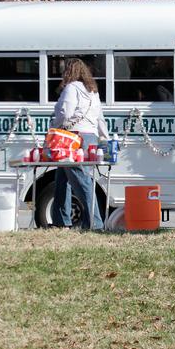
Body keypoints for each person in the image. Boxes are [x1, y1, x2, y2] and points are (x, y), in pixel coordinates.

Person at [51, 58, 109, 230]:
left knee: (81, 180)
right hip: (90, 137)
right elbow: (100, 118)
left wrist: (54, 127)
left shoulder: (71, 88)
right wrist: (104, 139)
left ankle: (95, 223)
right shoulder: (93, 92)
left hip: (72, 138)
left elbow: (65, 113)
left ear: (69, 71)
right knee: (63, 179)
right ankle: (61, 221)